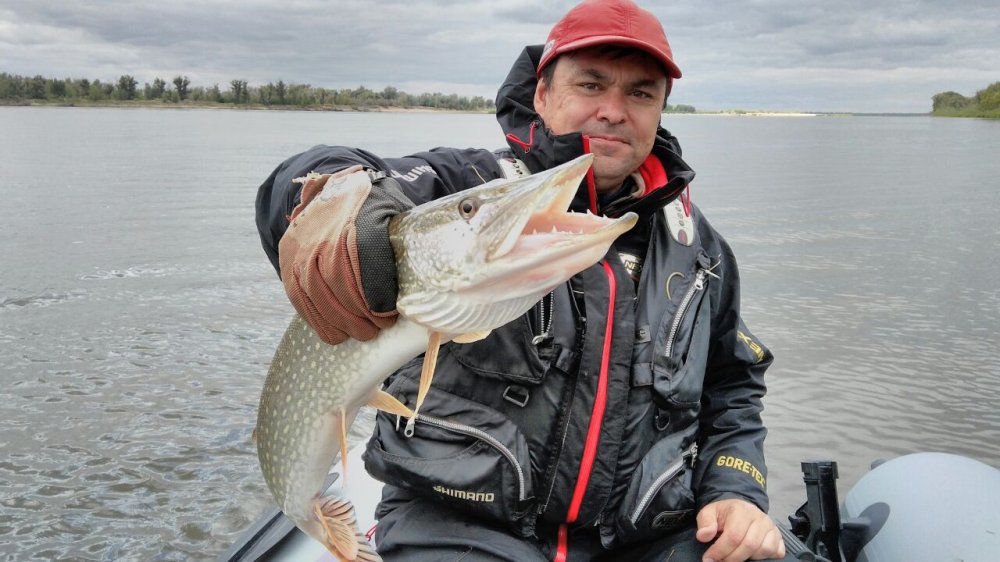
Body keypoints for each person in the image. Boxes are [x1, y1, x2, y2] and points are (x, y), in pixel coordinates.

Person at [256, 1, 791, 560]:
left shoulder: (697, 248)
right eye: (590, 84)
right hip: (456, 527)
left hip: (643, 539)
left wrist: (736, 488)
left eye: (640, 93)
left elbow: (733, 382)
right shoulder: (462, 185)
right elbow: (309, 178)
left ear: (659, 110)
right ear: (541, 95)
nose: (613, 111)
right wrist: (335, 200)